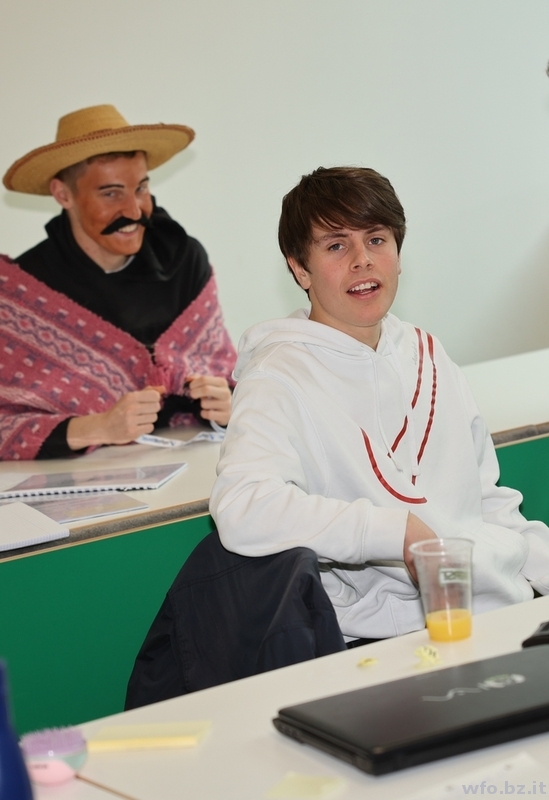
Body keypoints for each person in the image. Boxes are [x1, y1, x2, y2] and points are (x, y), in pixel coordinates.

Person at [210, 166, 549, 642]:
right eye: (336, 246)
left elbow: (484, 502)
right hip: (390, 638)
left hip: (501, 610)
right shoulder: (277, 375)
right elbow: (244, 507)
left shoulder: (427, 352)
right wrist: (393, 531)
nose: (362, 260)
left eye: (376, 239)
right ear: (300, 269)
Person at [0, 105, 236, 460]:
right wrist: (99, 426)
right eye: (110, 194)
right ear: (63, 195)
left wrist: (228, 405)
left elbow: (224, 374)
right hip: (78, 482)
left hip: (199, 466)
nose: (134, 211)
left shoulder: (183, 259)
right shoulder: (20, 295)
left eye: (141, 188)